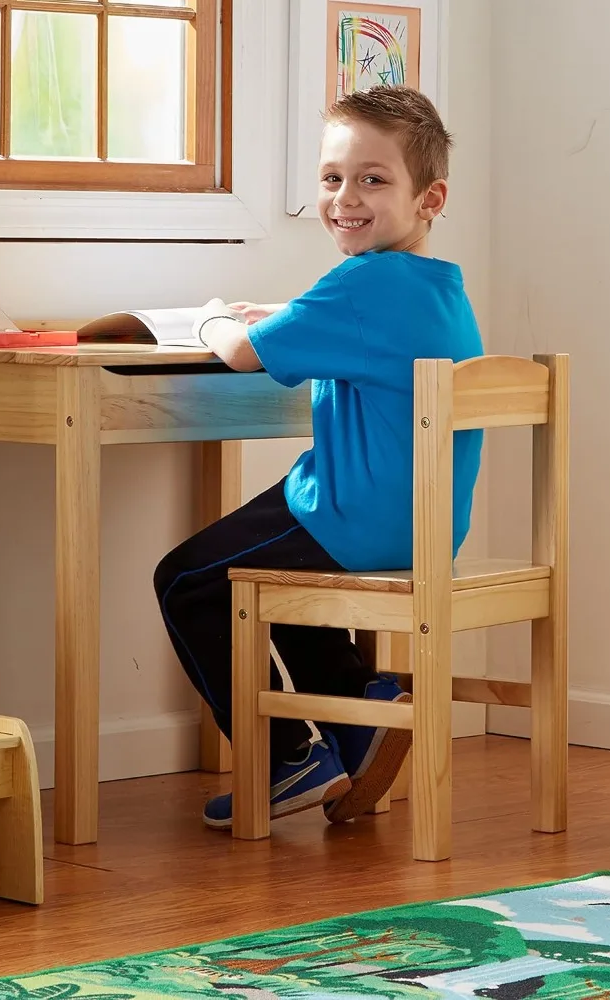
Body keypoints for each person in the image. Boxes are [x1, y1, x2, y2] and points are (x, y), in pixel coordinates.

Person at [153, 85, 484, 830]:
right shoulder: (436, 286)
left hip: (353, 516)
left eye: (373, 179)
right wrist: (280, 319)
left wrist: (211, 319)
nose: (345, 198)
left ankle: (283, 758)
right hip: (421, 525)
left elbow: (241, 355)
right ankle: (359, 715)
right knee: (276, 578)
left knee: (185, 579)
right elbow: (332, 328)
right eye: (332, 178)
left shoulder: (364, 281)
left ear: (430, 198)